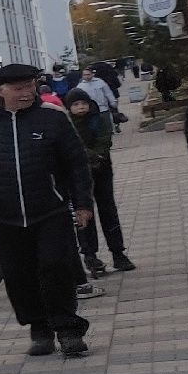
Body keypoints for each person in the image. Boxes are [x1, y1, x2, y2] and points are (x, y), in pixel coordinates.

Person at [0, 62, 96, 356]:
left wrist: (83, 203)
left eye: (31, 86)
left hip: (50, 209)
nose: (27, 93)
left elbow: (76, 162)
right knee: (19, 274)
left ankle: (68, 329)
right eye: (19, 88)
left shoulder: (53, 116)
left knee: (55, 267)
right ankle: (39, 328)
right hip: (4, 215)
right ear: (0, 90)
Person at [64, 90, 135, 275]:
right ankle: (89, 254)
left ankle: (118, 253)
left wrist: (96, 156)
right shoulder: (66, 124)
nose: (81, 107)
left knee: (108, 210)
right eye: (76, 104)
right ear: (69, 107)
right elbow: (72, 146)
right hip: (78, 176)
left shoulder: (99, 119)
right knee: (83, 213)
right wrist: (87, 157)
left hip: (102, 170)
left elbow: (105, 140)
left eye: (84, 103)